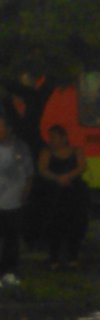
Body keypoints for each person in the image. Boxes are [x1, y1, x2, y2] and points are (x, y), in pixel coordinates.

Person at [38, 125, 89, 268]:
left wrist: (67, 176)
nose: (51, 140)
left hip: (74, 194)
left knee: (75, 224)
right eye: (50, 137)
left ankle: (73, 257)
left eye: (54, 137)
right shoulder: (46, 152)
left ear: (64, 138)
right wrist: (57, 178)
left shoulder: (76, 151)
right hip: (54, 195)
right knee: (54, 225)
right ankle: (54, 258)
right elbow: (42, 169)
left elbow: (82, 166)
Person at [0, 113, 34, 287]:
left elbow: (28, 173)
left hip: (13, 202)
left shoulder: (20, 147)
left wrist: (25, 192)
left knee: (12, 239)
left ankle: (10, 271)